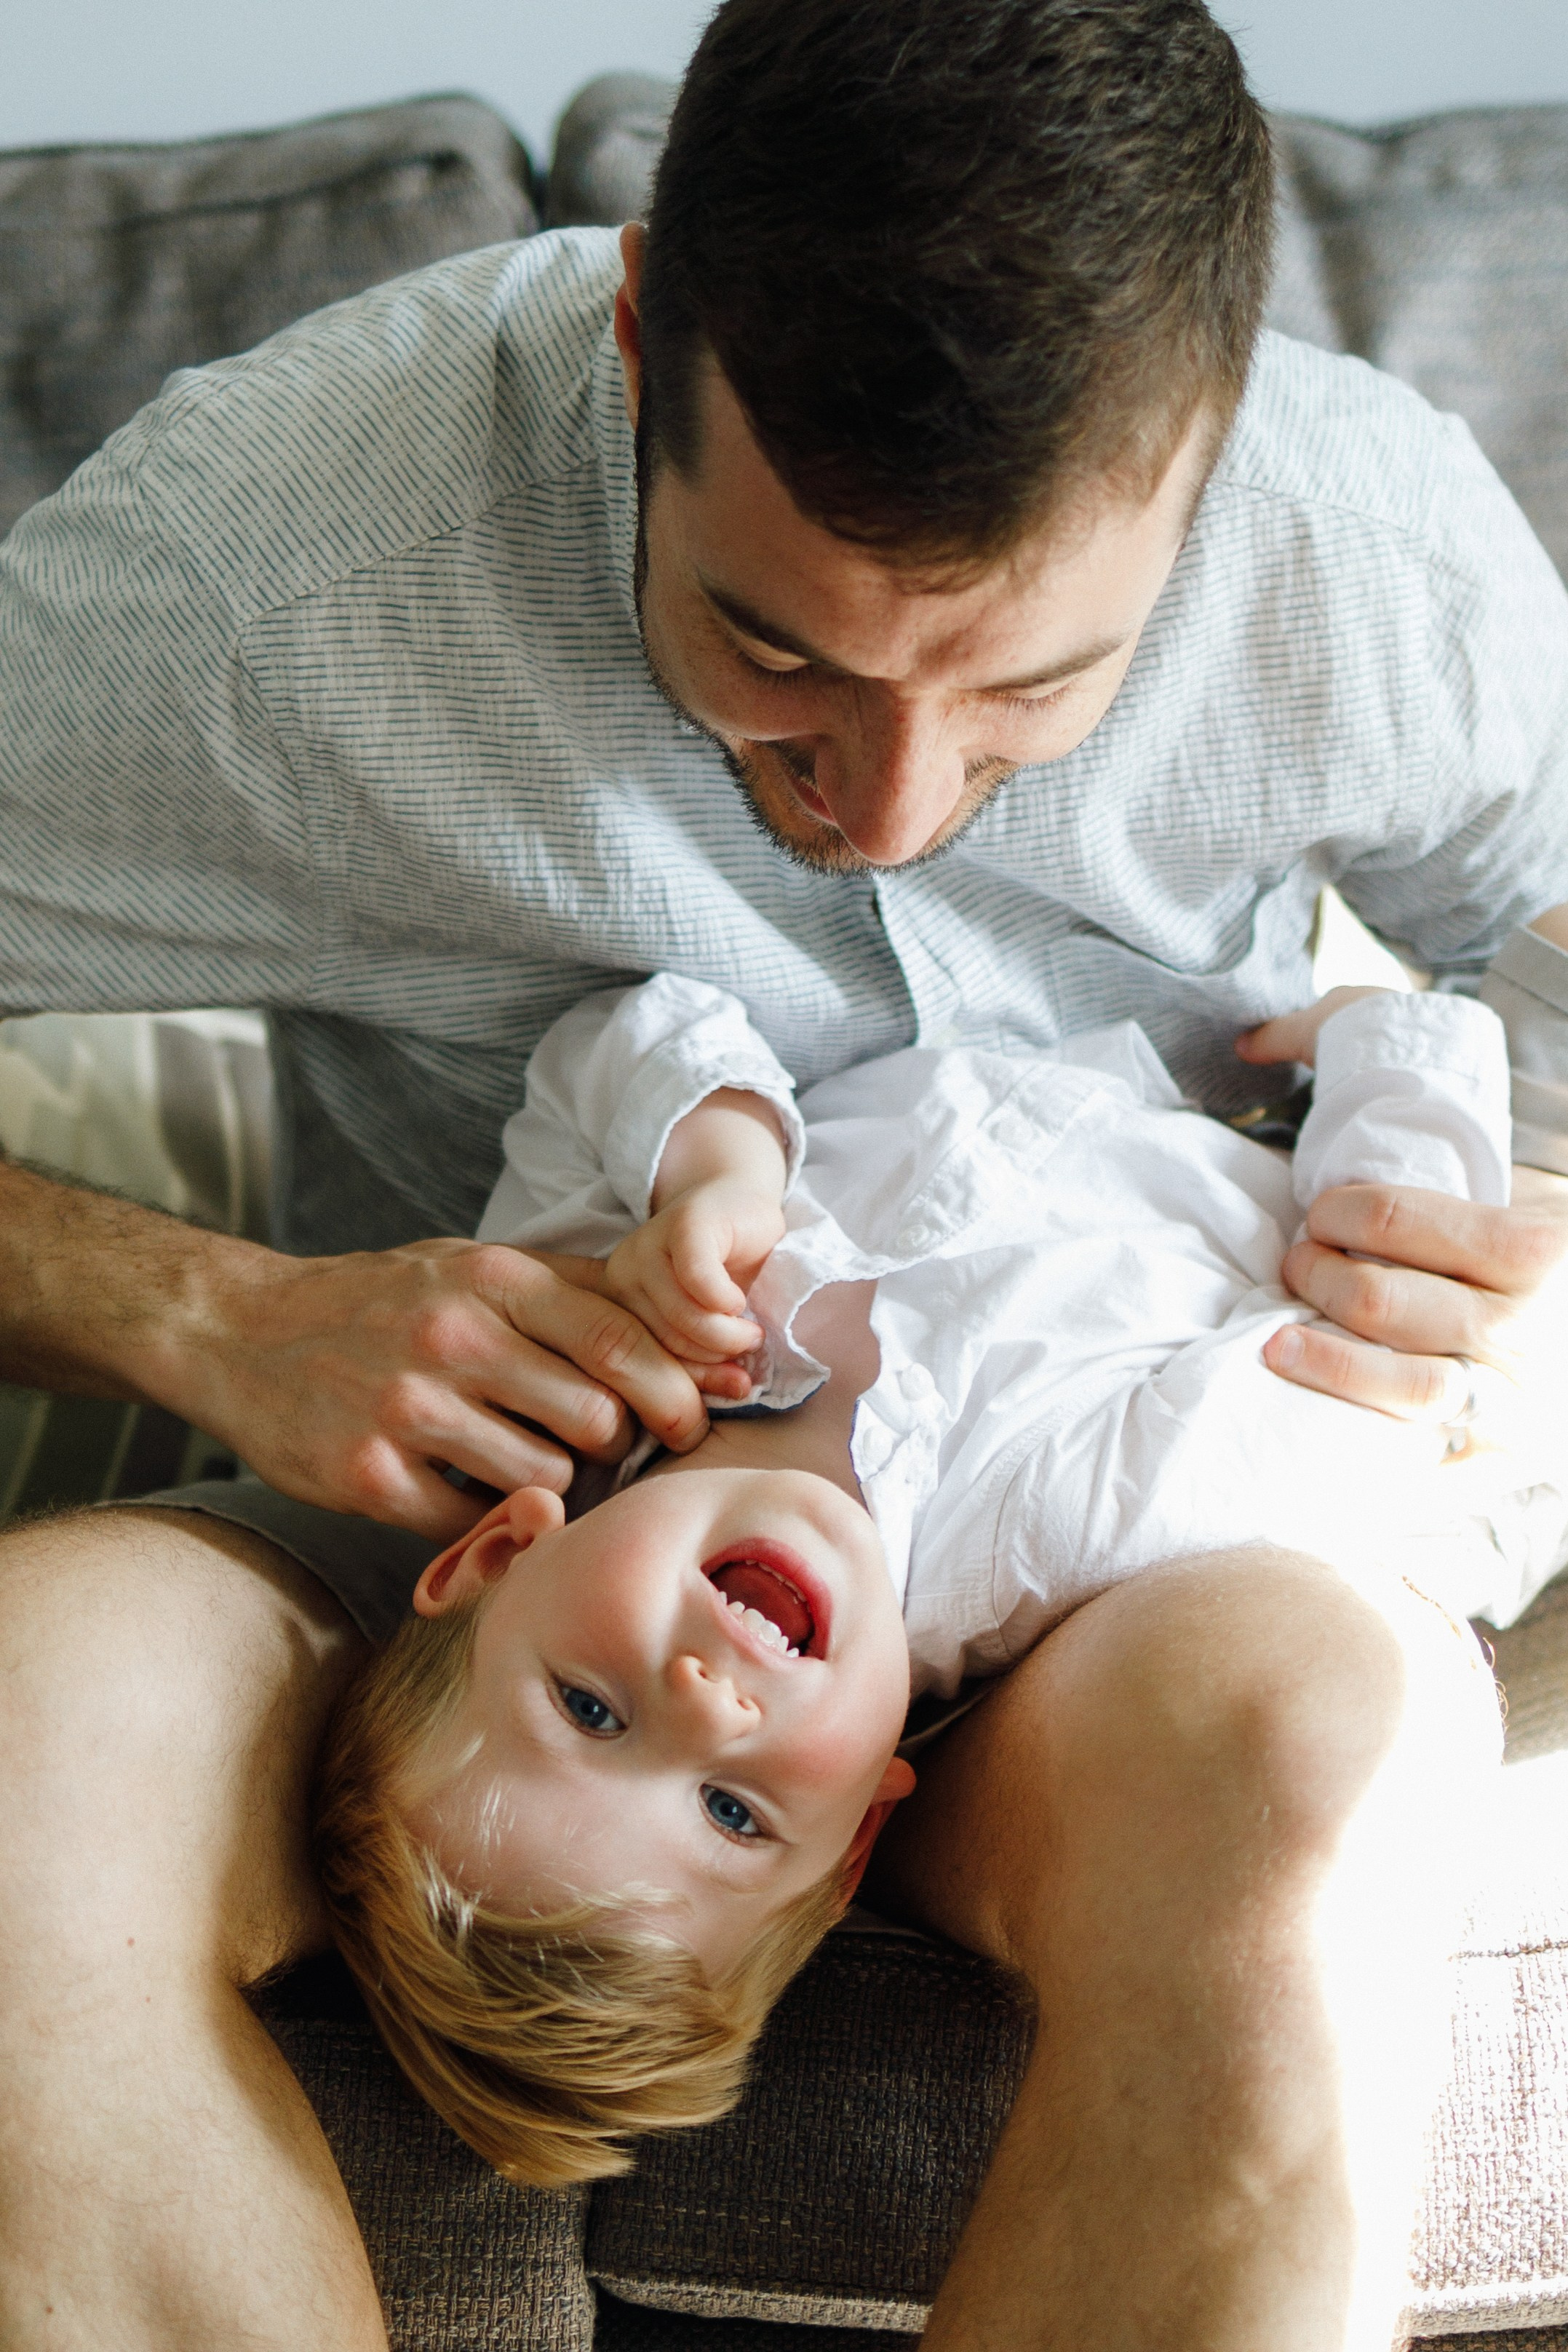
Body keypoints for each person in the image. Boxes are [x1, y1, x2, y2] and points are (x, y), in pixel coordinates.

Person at [2, 0, 1568, 2343]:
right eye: (765, 654)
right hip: (479, 1486)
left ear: (1218, 435)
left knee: (1304, 1773)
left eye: (1036, 693)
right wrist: (209, 1309)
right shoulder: (267, 583)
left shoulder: (1381, 563)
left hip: (1139, 1519)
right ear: (646, 329)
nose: (894, 801)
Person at [310, 953, 1564, 2206]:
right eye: (736, 1814)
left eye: (588, 1711)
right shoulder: (1082, 1532)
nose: (710, 1704)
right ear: (862, 1827)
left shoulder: (576, 1328)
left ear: (496, 1555)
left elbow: (611, 1038)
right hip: (1470, 1196)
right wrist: (1390, 1041)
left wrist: (715, 1166)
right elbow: (1389, 1331)